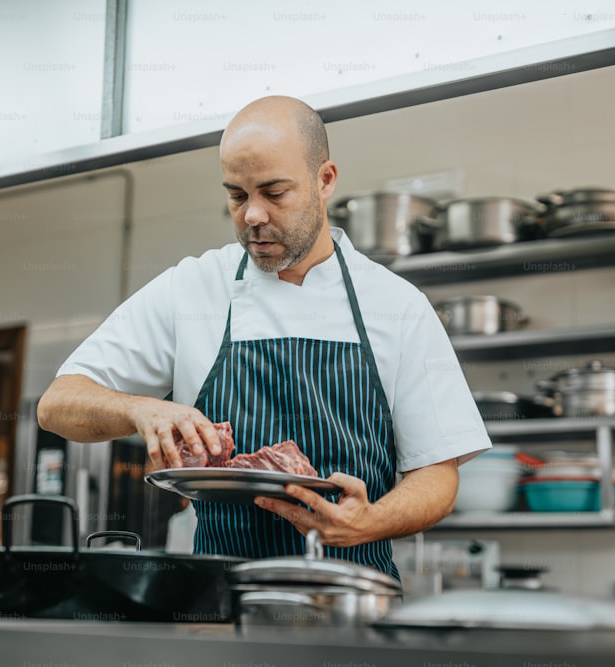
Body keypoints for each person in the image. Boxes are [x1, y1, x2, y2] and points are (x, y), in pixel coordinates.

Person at [37, 95, 491, 577]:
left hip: (353, 603)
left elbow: (438, 475)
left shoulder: (397, 305)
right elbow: (58, 405)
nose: (252, 215)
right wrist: (138, 408)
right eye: (237, 195)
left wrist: (370, 521)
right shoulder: (192, 287)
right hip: (217, 604)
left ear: (325, 180)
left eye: (274, 193)